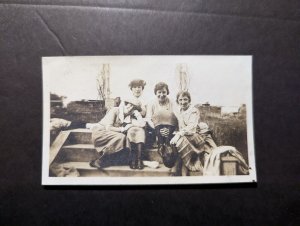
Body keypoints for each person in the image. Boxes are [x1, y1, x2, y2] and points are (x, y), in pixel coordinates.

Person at [90, 98, 146, 170]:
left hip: (112, 136)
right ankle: (101, 160)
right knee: (122, 137)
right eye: (129, 104)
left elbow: (142, 124)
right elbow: (108, 127)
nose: (130, 108)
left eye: (133, 107)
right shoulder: (115, 110)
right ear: (125, 104)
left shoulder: (129, 118)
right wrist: (123, 129)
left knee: (124, 140)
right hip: (100, 133)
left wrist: (137, 115)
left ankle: (101, 161)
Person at [170, 91, 217, 176]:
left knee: (181, 141)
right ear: (177, 101)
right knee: (178, 141)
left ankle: (181, 169)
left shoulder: (193, 111)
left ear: (189, 100)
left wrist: (178, 134)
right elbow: (179, 125)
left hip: (194, 136)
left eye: (185, 99)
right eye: (180, 100)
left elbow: (191, 127)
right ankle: (180, 170)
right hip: (184, 135)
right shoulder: (179, 111)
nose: (183, 102)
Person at [146, 82, 178, 167]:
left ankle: (166, 146)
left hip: (169, 129)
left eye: (164, 92)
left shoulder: (172, 102)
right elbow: (148, 118)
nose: (161, 94)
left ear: (167, 92)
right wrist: (159, 130)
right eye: (159, 92)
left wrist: (168, 130)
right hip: (156, 129)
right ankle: (161, 145)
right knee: (157, 115)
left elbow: (176, 116)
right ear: (156, 93)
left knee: (170, 115)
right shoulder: (151, 102)